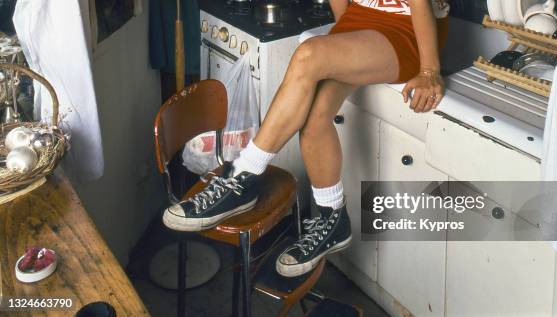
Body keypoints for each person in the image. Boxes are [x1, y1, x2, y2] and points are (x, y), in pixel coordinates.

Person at [163, 0, 449, 277]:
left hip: (407, 26)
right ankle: (332, 217)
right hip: (362, 20)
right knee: (313, 118)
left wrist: (429, 71)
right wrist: (347, 35)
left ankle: (243, 174)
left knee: (308, 54)